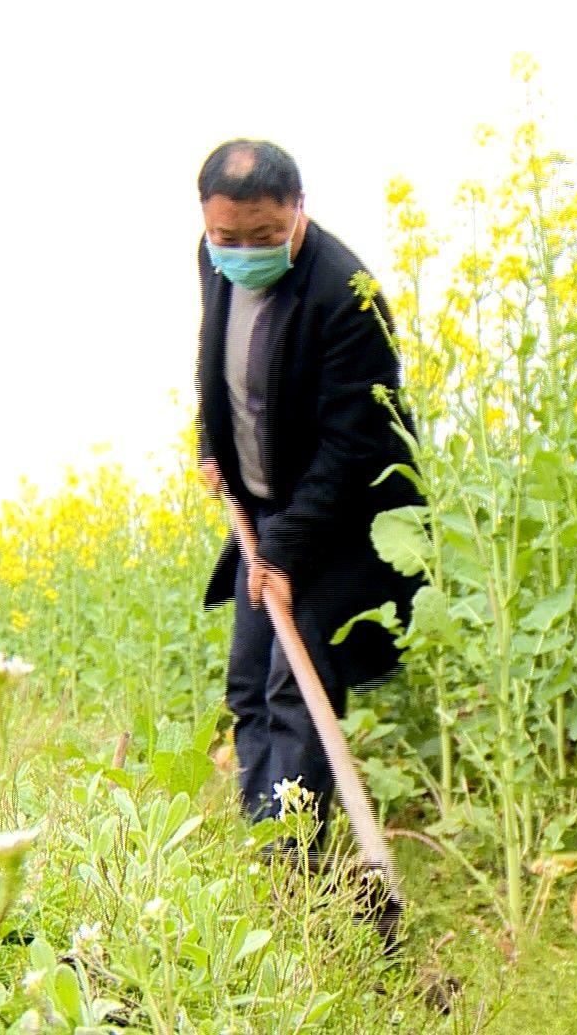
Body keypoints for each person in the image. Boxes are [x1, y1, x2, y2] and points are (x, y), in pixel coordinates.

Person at [192, 138, 423, 842]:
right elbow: (214, 357)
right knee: (247, 687)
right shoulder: (213, 258)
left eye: (263, 236)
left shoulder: (346, 297)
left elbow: (355, 447)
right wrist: (211, 444)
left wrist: (285, 555)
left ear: (299, 210)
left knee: (297, 686)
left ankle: (294, 856)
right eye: (226, 236)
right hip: (268, 506)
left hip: (341, 518)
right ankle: (269, 840)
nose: (242, 250)